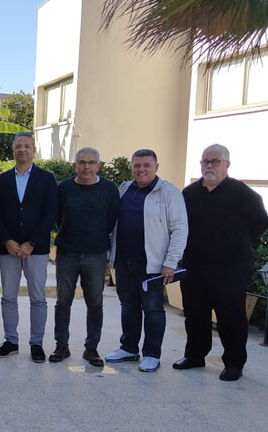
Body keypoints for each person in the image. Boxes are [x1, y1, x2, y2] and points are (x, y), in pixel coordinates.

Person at [176, 144, 268, 381]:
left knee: (230, 316)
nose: (209, 165)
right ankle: (195, 356)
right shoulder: (189, 193)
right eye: (205, 161)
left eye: (215, 161)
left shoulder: (244, 194)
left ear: (227, 164)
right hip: (195, 266)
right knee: (195, 314)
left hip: (231, 268)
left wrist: (234, 243)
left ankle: (234, 363)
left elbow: (260, 223)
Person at [105, 149, 187, 372]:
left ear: (156, 167)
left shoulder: (169, 193)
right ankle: (129, 348)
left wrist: (171, 262)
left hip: (153, 264)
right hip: (124, 261)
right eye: (137, 165)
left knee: (153, 310)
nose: (141, 169)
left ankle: (152, 354)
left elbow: (180, 229)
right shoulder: (124, 189)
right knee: (128, 306)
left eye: (146, 165)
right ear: (131, 167)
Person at [0, 132, 58, 362]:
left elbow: (50, 213)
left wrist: (32, 242)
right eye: (19, 146)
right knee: (8, 296)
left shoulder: (46, 179)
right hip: (9, 248)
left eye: (27, 146)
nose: (23, 150)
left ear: (34, 150)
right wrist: (6, 240)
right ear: (13, 150)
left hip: (35, 249)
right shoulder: (1, 180)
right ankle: (11, 340)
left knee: (38, 298)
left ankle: (36, 343)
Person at [49, 147, 118, 366]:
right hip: (67, 252)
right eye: (81, 162)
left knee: (95, 303)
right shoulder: (64, 188)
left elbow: (112, 219)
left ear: (99, 165)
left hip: (96, 254)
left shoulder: (109, 189)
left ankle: (91, 348)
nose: (86, 167)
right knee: (63, 301)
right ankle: (61, 345)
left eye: (91, 162)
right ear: (75, 165)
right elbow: (58, 217)